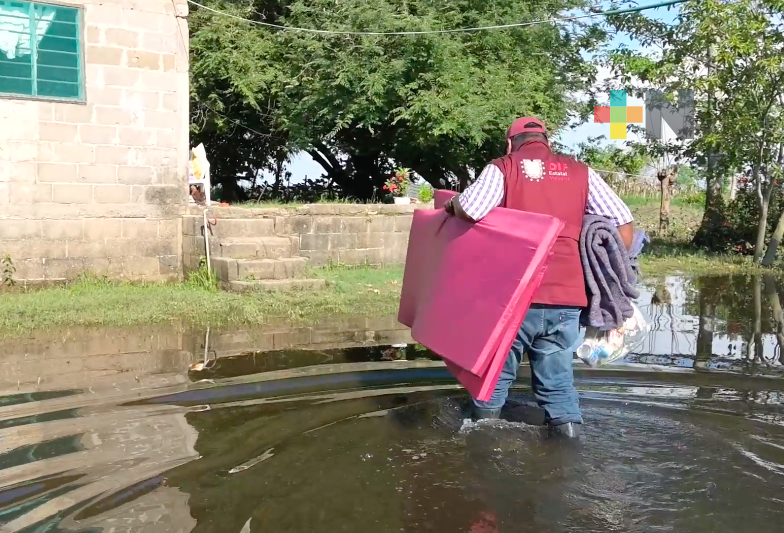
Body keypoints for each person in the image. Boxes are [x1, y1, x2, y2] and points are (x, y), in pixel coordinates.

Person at [444, 117, 634, 438]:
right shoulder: (580, 172)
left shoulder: (504, 167)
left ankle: (481, 450)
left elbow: (472, 208)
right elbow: (623, 224)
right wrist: (603, 268)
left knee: (494, 379)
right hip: (566, 299)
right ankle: (569, 452)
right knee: (558, 385)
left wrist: (452, 204)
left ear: (510, 144)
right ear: (547, 142)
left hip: (513, 299)